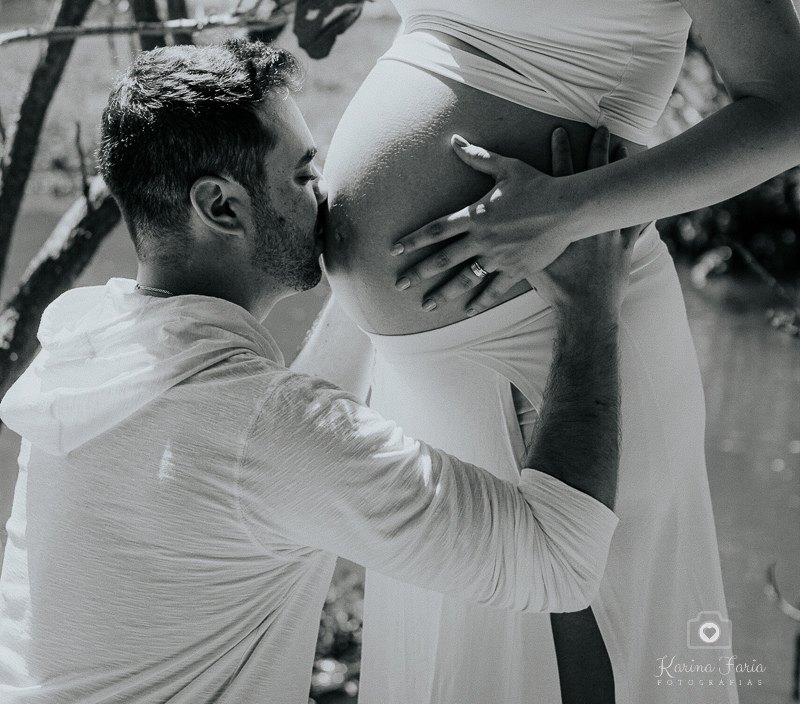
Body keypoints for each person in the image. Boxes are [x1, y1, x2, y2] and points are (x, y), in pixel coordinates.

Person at [315, 0, 800, 704]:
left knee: (572, 637)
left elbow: (785, 108)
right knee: (467, 645)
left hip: (551, 321)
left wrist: (570, 210)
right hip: (424, 350)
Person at [0, 39, 638, 704]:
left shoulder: (85, 349)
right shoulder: (263, 431)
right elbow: (560, 562)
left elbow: (267, 444)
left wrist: (366, 271)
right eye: (304, 175)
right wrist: (589, 307)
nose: (326, 193)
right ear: (221, 206)